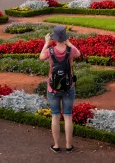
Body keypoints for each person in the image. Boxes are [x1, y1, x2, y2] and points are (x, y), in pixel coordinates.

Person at [39, 25, 81, 153]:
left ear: (54, 38)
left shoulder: (50, 51)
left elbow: (41, 57)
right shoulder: (70, 50)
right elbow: (78, 53)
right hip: (68, 87)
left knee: (55, 116)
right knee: (68, 116)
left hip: (53, 88)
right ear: (65, 37)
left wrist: (46, 44)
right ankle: (69, 146)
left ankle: (56, 145)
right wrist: (69, 42)